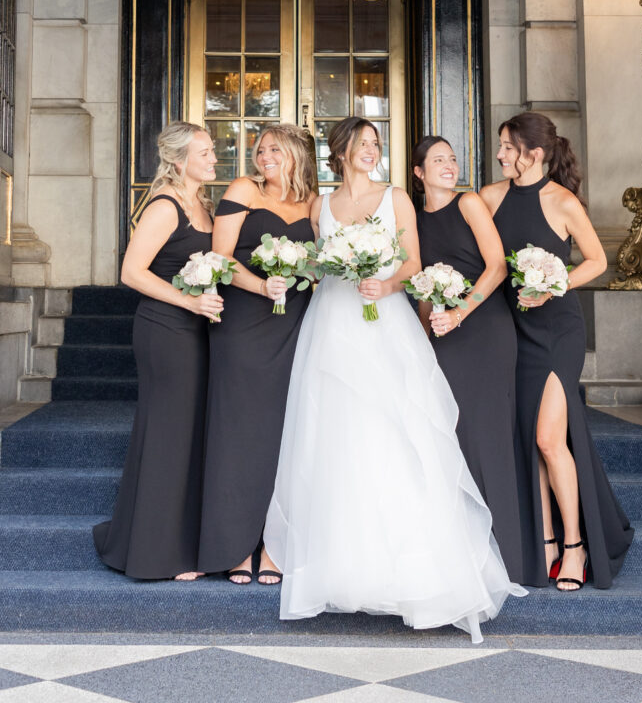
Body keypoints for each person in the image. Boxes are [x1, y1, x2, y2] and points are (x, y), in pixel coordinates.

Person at [264, 117, 526, 641]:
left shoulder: (396, 197)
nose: (370, 151)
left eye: (376, 144)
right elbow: (318, 269)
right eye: (362, 145)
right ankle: (345, 569)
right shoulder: (322, 206)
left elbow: (412, 263)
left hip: (386, 324)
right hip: (333, 328)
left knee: (400, 434)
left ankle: (418, 573)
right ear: (341, 152)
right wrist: (288, 274)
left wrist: (384, 285)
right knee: (339, 439)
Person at [481, 112, 633, 591]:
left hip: (557, 332)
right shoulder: (488, 197)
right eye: (502, 146)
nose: (501, 154)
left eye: (508, 146)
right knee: (528, 440)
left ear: (535, 153)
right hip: (512, 332)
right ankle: (543, 541)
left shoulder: (562, 202)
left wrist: (554, 284)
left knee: (550, 439)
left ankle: (575, 544)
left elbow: (598, 261)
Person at [93, 121, 222, 580]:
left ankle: (161, 539)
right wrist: (189, 300)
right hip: (165, 330)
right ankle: (158, 553)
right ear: (179, 159)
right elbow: (132, 272)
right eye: (205, 152)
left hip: (197, 330)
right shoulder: (165, 207)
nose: (213, 158)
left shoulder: (202, 204)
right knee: (170, 436)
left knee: (186, 435)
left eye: (212, 150)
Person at [199, 124, 316, 584]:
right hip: (245, 322)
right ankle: (233, 544)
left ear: (295, 155)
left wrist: (314, 275)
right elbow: (221, 257)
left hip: (293, 324)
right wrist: (261, 284)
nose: (264, 156)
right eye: (260, 149)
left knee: (282, 435)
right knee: (238, 431)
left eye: (274, 149)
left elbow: (320, 261)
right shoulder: (243, 189)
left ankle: (273, 545)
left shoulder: (312, 202)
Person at [414, 136, 524, 583]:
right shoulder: (414, 219)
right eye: (438, 160)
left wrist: (462, 309)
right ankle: (459, 553)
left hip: (483, 330)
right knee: (449, 438)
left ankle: (507, 559)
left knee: (485, 438)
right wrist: (425, 334)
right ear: (418, 172)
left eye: (453, 159)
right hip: (441, 335)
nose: (449, 165)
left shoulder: (470, 203)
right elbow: (419, 284)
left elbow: (497, 266)